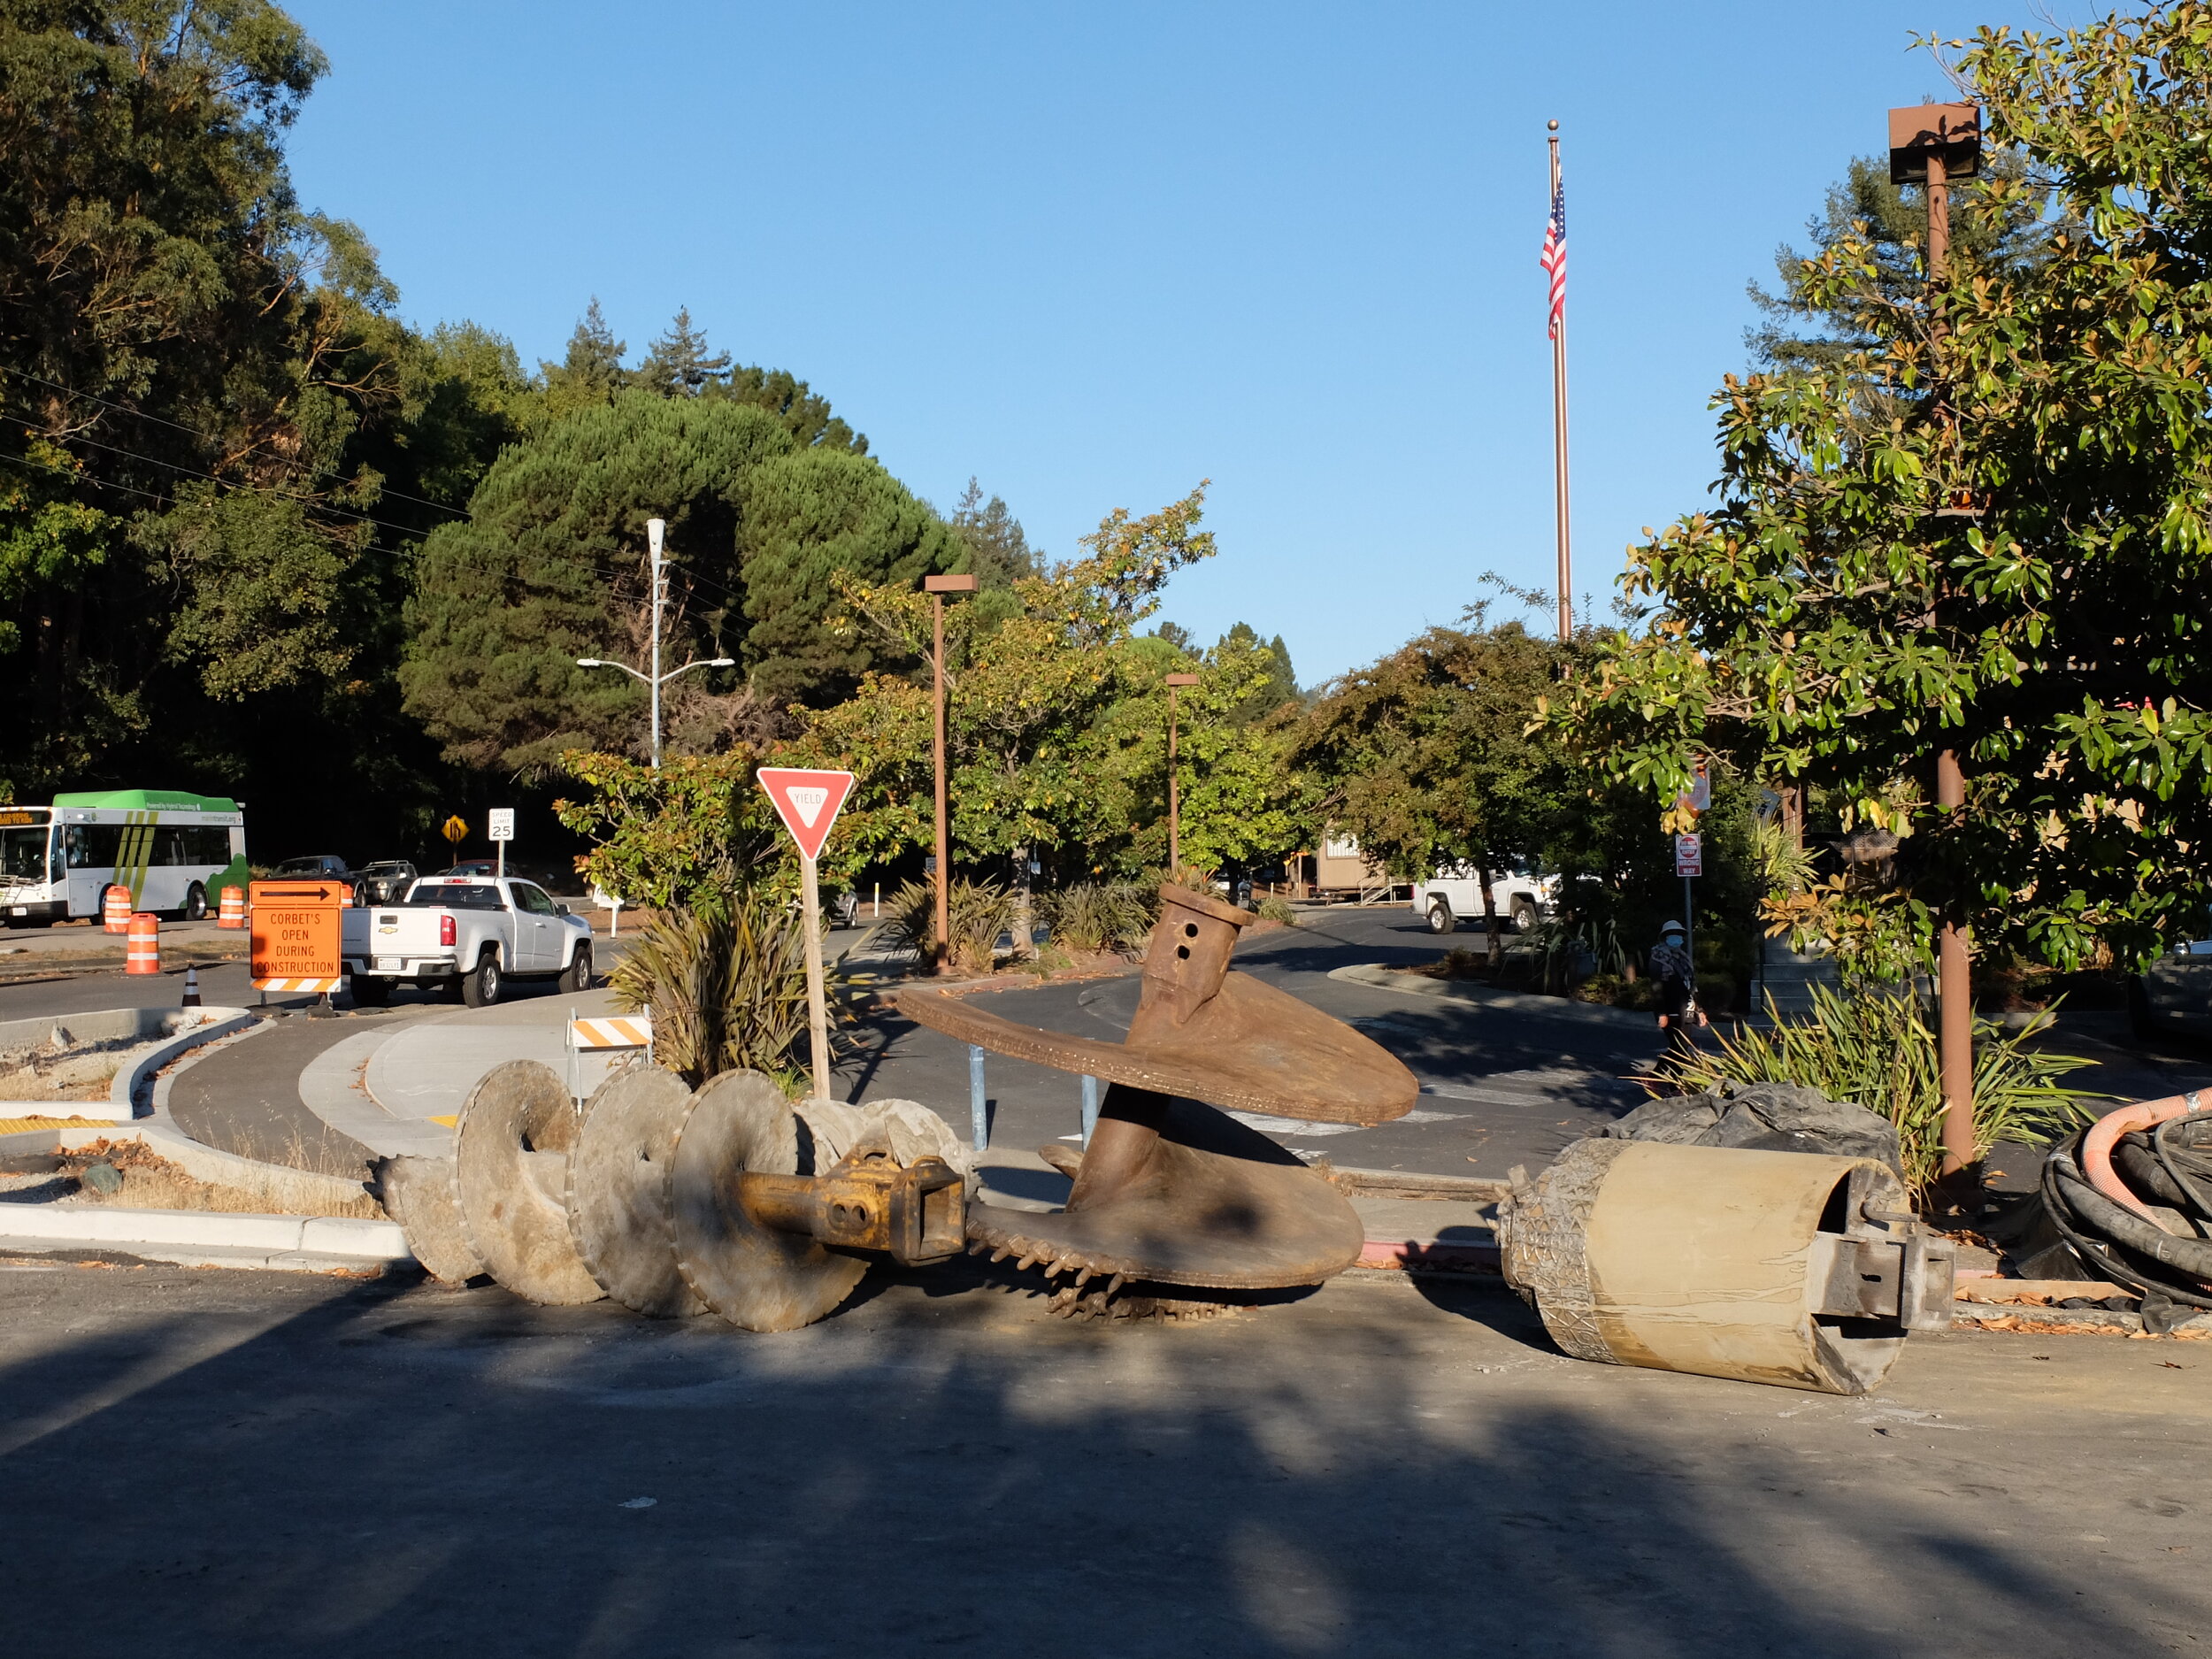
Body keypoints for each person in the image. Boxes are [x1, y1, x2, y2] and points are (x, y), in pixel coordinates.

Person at [1650, 919, 1708, 1081]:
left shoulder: (1684, 959)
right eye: (1672, 935)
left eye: (1679, 935)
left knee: (1682, 1047)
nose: (1676, 938)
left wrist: (1700, 1010)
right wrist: (1661, 1013)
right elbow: (1657, 988)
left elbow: (1692, 986)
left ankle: (1656, 1078)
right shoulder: (1658, 959)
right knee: (1679, 1047)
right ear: (1665, 937)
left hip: (1688, 1008)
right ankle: (1673, 1084)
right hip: (1670, 1008)